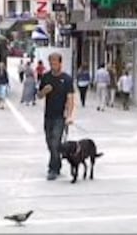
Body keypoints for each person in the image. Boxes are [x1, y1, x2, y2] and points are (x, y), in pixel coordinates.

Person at [38, 52, 75, 181]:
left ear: (60, 63)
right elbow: (39, 95)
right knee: (49, 142)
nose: (53, 65)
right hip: (48, 115)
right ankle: (57, 163)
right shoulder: (46, 77)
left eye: (55, 62)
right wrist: (44, 91)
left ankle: (52, 169)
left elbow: (70, 98)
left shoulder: (67, 79)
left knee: (55, 142)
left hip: (61, 116)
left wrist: (69, 115)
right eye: (51, 62)